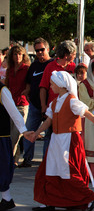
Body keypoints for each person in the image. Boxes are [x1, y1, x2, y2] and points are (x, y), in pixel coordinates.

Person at [30, 71, 94, 211]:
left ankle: (90, 198)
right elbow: (49, 120)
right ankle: (50, 200)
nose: (50, 86)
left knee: (68, 172)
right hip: (56, 140)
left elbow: (88, 115)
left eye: (52, 83)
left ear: (61, 85)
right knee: (50, 169)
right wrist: (36, 133)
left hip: (68, 140)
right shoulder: (55, 102)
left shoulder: (73, 101)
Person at [0, 81, 33, 211]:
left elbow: (14, 112)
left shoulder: (2, 90)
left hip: (1, 137)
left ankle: (6, 198)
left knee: (2, 168)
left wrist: (23, 130)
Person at [39, 40, 77, 154]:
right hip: (54, 108)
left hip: (69, 110)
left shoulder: (74, 67)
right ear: (67, 55)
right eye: (74, 54)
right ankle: (46, 161)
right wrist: (43, 106)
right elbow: (43, 87)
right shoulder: (50, 66)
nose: (75, 56)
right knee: (49, 135)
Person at [20, 38, 52, 168]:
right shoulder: (34, 65)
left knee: (48, 135)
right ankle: (27, 159)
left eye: (42, 50)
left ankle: (45, 162)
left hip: (49, 106)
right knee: (29, 132)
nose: (39, 53)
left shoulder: (53, 64)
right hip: (34, 105)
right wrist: (27, 92)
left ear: (48, 49)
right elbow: (28, 82)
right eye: (37, 50)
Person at [4, 44, 31, 165]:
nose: (18, 56)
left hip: (22, 104)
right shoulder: (9, 70)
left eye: (20, 54)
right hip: (10, 104)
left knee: (16, 134)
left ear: (24, 55)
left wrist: (27, 91)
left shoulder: (26, 69)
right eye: (15, 54)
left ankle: (9, 160)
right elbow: (7, 85)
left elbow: (30, 84)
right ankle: (15, 159)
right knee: (11, 134)